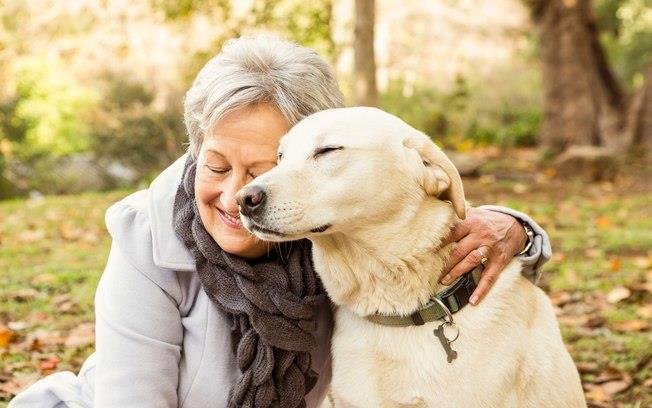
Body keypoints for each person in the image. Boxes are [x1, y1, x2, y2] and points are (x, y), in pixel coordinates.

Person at [9, 36, 551, 408]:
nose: (240, 194)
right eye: (216, 165)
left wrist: (517, 228)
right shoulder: (145, 239)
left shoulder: (327, 232)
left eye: (264, 169)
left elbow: (418, 220)